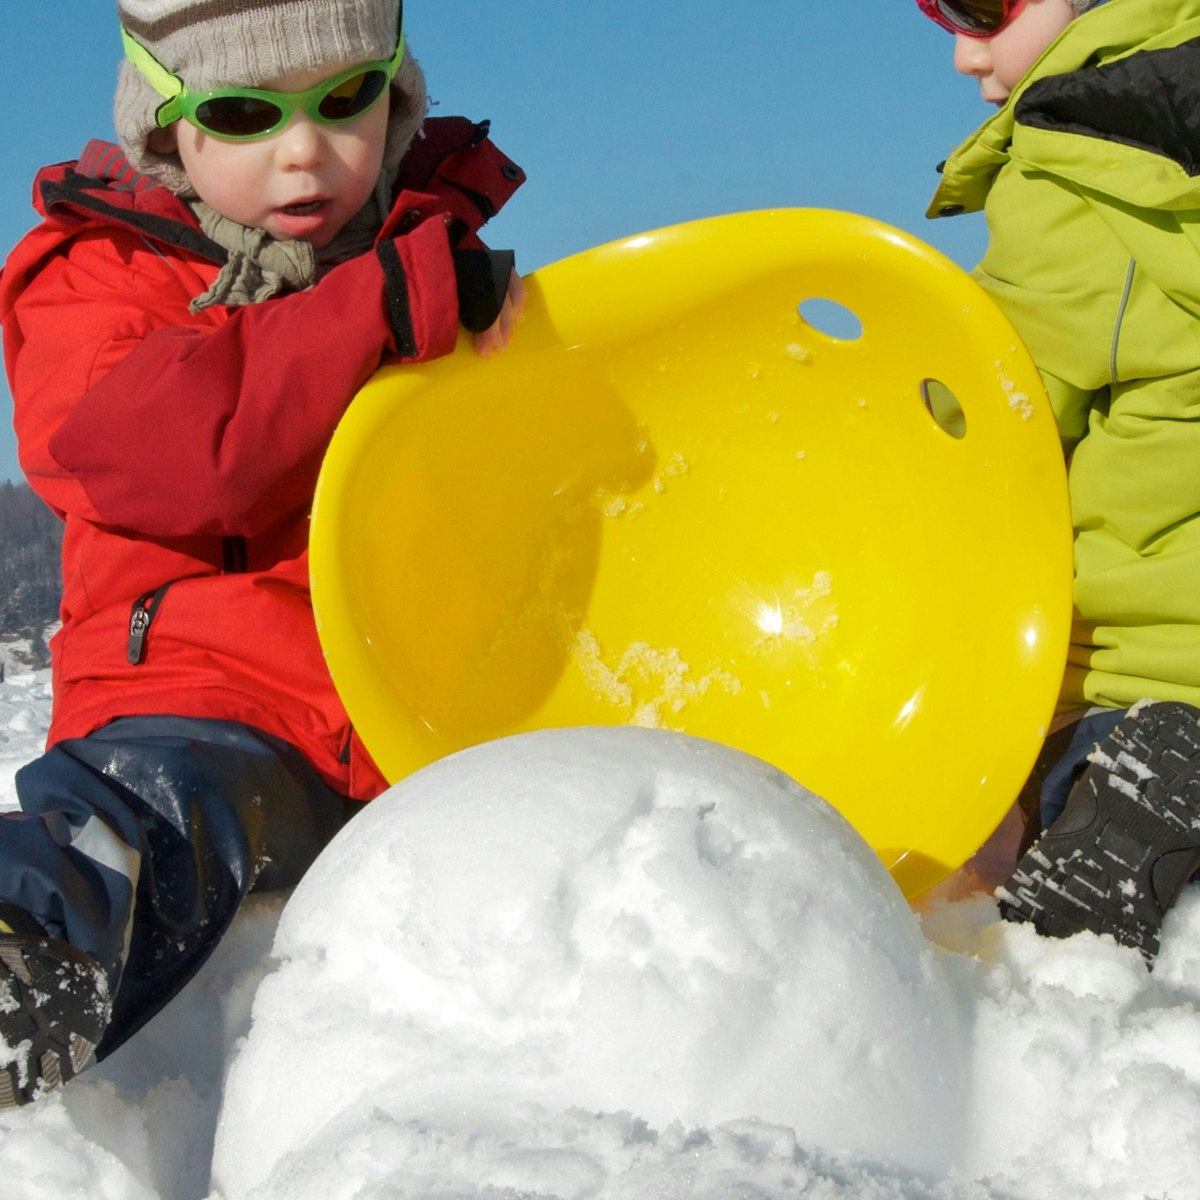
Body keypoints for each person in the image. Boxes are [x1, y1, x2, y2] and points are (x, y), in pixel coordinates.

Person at [0, 0, 526, 1106]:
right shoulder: (102, 278)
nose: (304, 149)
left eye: (345, 101)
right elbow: (173, 453)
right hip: (205, 693)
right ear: (167, 131)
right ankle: (34, 942)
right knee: (160, 814)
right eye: (244, 113)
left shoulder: (433, 256)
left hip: (417, 701)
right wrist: (379, 311)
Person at [916, 0, 1200, 965]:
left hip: (1156, 669)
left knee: (1031, 962)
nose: (963, 52)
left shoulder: (1092, 163)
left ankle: (1139, 793)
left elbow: (990, 418)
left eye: (979, 5)